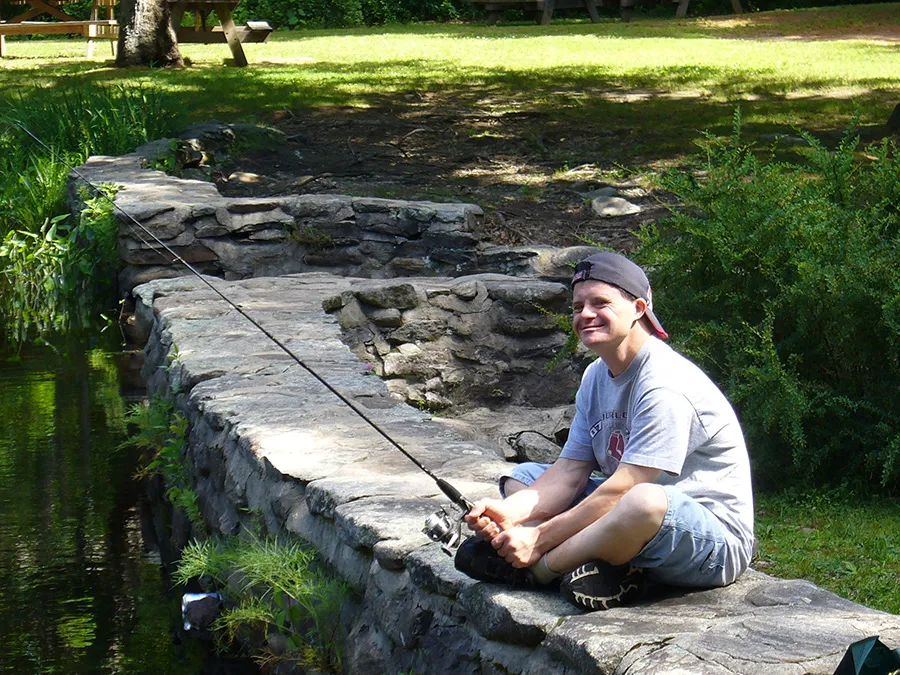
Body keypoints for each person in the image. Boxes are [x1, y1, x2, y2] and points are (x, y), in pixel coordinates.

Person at [454, 251, 755, 611]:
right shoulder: (595, 376)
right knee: (524, 476)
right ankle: (607, 565)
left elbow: (625, 489)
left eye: (601, 303)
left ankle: (539, 571)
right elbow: (568, 472)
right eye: (578, 306)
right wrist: (512, 513)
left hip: (710, 541)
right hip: (628, 515)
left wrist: (538, 537)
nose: (586, 315)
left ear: (640, 308)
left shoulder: (664, 383)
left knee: (641, 501)